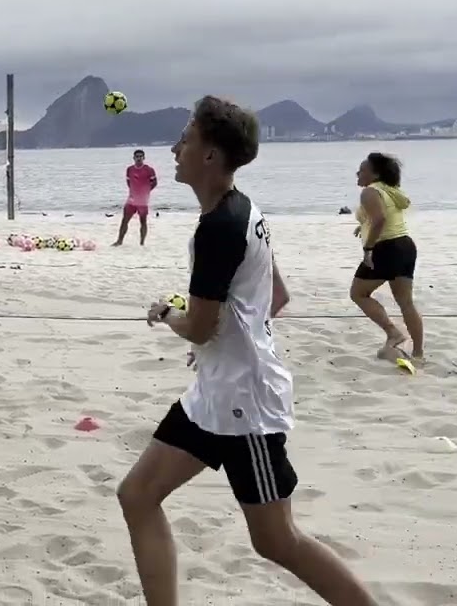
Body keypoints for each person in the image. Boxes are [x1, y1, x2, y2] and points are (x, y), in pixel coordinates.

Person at [117, 96, 377, 606]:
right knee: (137, 496)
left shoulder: (219, 228)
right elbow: (276, 295)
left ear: (210, 155)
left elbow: (198, 328)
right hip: (215, 395)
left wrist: (167, 315)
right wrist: (220, 343)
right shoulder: (242, 208)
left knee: (278, 540)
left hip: (244, 409)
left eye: (185, 139)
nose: (175, 149)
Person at [350, 152, 423, 361]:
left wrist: (368, 249)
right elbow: (382, 217)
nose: (357, 173)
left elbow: (380, 219)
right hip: (405, 246)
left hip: (386, 248)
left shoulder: (370, 192)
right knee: (406, 302)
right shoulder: (390, 190)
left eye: (362, 170)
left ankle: (393, 332)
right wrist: (363, 226)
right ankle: (418, 354)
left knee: (358, 293)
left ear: (375, 174)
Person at [114, 149, 158, 246]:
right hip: (131, 199)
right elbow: (129, 182)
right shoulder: (129, 169)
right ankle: (119, 241)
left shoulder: (149, 170)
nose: (139, 158)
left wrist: (146, 191)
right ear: (134, 158)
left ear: (144, 158)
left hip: (143, 200)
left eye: (140, 156)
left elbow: (154, 183)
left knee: (143, 221)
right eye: (137, 156)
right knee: (125, 220)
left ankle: (142, 243)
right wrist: (133, 192)